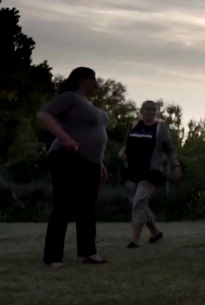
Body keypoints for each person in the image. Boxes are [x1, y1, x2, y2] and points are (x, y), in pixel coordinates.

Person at [37, 67, 110, 267]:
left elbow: (96, 136)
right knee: (63, 205)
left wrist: (100, 162)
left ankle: (88, 252)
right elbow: (44, 115)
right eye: (92, 79)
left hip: (91, 162)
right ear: (81, 80)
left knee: (87, 208)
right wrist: (66, 139)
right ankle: (53, 257)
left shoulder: (92, 106)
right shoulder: (70, 98)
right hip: (66, 156)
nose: (96, 83)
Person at [120, 100, 183, 248]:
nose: (150, 112)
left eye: (153, 110)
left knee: (139, 202)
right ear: (141, 111)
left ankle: (135, 240)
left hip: (151, 171)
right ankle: (155, 233)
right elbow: (126, 144)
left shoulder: (160, 128)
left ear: (157, 112)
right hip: (132, 170)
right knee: (136, 204)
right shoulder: (134, 125)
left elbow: (170, 149)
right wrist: (122, 152)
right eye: (147, 109)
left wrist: (176, 165)